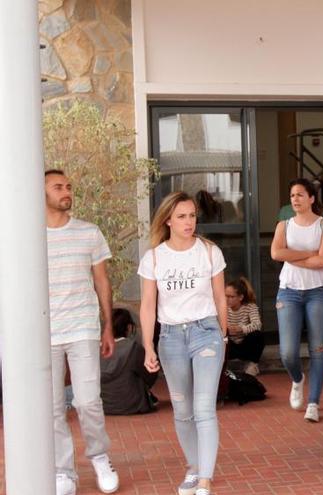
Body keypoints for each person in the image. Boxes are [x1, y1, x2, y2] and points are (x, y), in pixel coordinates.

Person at [138, 191, 228, 495]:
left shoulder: (209, 251)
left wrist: (223, 335)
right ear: (168, 220)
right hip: (170, 338)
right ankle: (194, 467)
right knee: (182, 410)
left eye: (192, 216)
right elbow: (148, 305)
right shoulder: (153, 257)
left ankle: (205, 480)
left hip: (206, 333)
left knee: (204, 408)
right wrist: (149, 347)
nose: (189, 222)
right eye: (181, 217)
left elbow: (219, 298)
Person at [44, 169, 120, 495]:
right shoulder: (27, 236)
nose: (66, 191)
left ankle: (100, 456)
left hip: (83, 328)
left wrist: (107, 326)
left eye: (68, 186)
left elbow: (102, 281)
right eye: (58, 187)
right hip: (43, 334)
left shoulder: (89, 233)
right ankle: (64, 471)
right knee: (52, 407)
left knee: (88, 401)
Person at [271, 178, 323, 423]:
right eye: (292, 195)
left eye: (300, 195)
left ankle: (314, 402)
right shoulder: (284, 226)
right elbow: (276, 253)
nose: (295, 199)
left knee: (318, 349)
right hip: (288, 291)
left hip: (318, 291)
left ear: (311, 198)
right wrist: (310, 253)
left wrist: (292, 256)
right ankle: (298, 380)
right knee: (287, 352)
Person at [100, 308, 158, 415]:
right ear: (128, 327)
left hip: (103, 406)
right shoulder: (133, 348)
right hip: (132, 405)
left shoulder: (96, 350)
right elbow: (150, 375)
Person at [225, 277, 264, 376]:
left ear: (240, 297)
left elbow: (257, 324)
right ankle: (223, 366)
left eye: (231, 296)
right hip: (230, 344)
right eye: (226, 296)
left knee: (258, 335)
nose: (227, 299)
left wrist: (241, 329)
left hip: (245, 344)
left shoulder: (250, 307)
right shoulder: (223, 308)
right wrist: (226, 330)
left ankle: (252, 365)